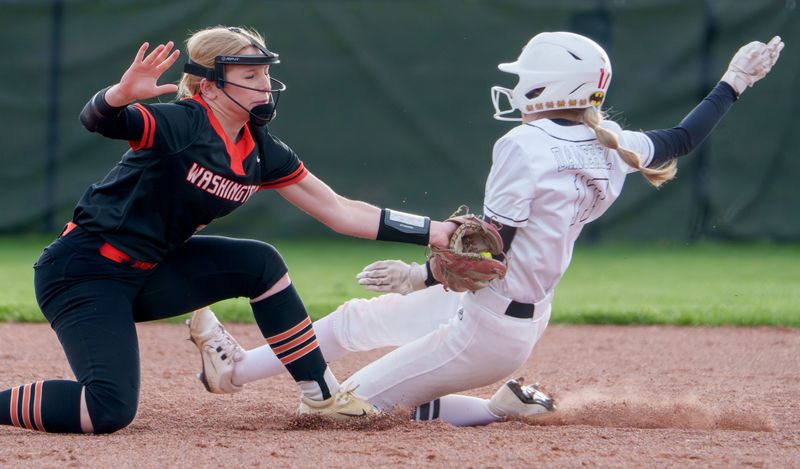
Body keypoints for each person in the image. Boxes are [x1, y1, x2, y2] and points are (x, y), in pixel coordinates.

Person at [186, 32, 784, 426]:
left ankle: (496, 409)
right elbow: (681, 138)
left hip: (487, 324)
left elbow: (488, 256)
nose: (519, 84)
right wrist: (733, 83)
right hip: (505, 310)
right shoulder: (612, 144)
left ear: (553, 87)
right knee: (352, 321)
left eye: (528, 76)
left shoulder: (525, 143)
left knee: (339, 412)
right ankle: (231, 370)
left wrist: (418, 273)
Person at [0, 25, 457, 434]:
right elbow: (99, 120)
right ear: (210, 86)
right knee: (107, 411)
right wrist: (118, 95)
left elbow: (340, 211)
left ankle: (321, 395)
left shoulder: (261, 150)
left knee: (260, 263)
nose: (264, 87)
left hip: (149, 272)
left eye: (264, 74)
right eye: (249, 75)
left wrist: (436, 232)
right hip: (84, 272)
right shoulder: (183, 121)